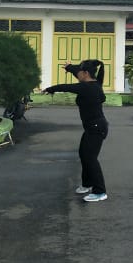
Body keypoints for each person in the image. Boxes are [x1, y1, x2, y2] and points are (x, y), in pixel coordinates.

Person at [43, 60, 110, 203]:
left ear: (86, 74)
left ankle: (100, 191)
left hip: (96, 128)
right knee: (84, 155)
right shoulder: (94, 83)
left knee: (90, 158)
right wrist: (70, 67)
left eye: (79, 72)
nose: (76, 74)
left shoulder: (87, 88)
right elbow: (77, 73)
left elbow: (67, 87)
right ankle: (87, 184)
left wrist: (50, 88)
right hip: (93, 127)